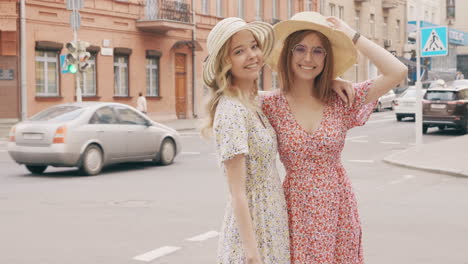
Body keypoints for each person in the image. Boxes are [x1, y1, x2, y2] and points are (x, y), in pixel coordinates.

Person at [261, 12, 408, 263]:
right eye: (300, 49)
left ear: (326, 57)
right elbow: (226, 86)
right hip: (294, 209)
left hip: (337, 206)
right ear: (288, 53)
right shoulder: (270, 104)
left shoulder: (341, 99)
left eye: (318, 51)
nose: (308, 58)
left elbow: (397, 71)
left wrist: (351, 34)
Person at [201, 17, 290, 264]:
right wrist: (252, 254)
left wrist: (333, 83)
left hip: (271, 220)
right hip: (255, 226)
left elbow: (292, 95)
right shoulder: (232, 110)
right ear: (225, 63)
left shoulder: (252, 102)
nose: (252, 55)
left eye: (254, 46)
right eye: (239, 51)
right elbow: (237, 192)